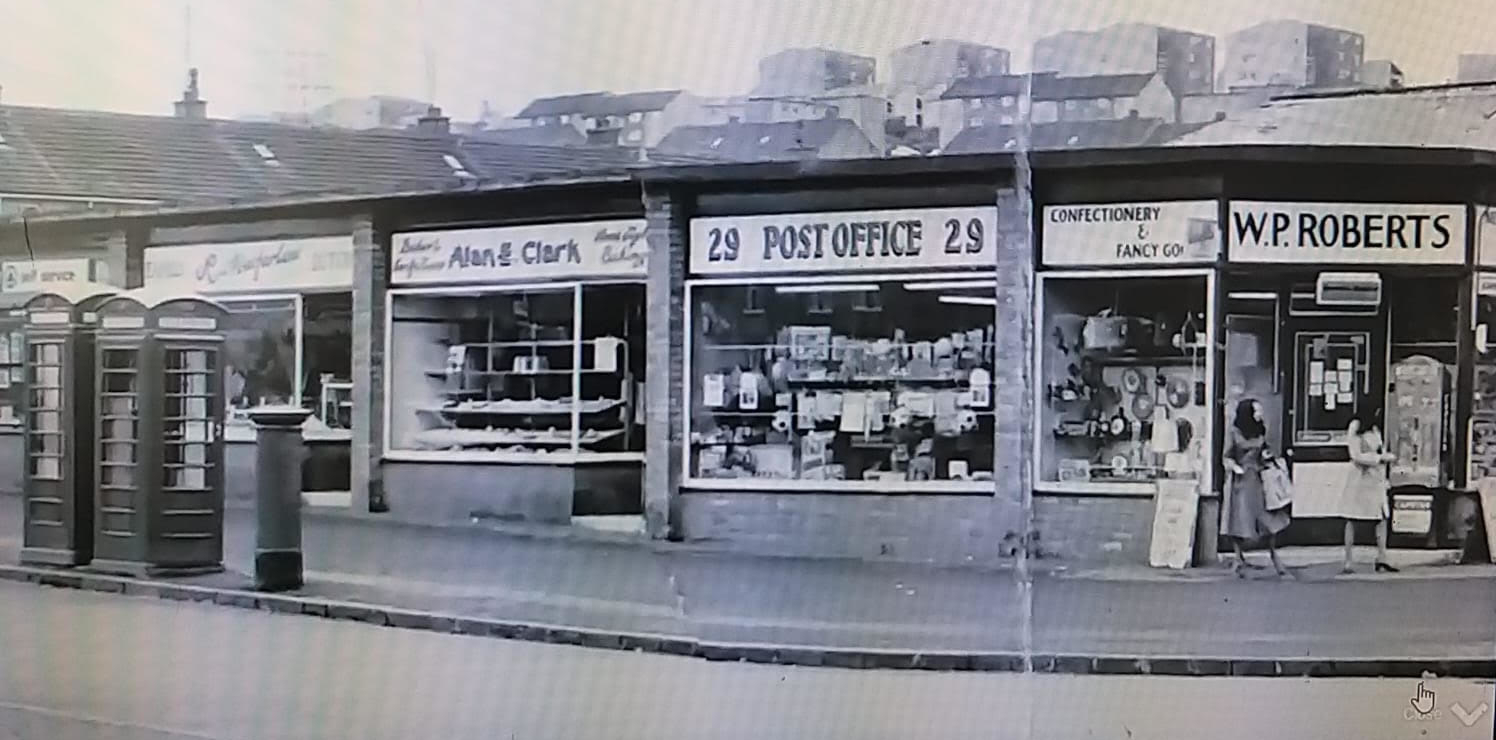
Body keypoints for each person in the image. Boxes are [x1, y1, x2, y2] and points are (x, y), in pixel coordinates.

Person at [1222, 398, 1290, 576]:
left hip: (1260, 480)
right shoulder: (1235, 432)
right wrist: (1234, 467)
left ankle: (1273, 554)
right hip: (1242, 481)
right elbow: (1227, 456)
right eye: (1256, 411)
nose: (1260, 414)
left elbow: (1264, 453)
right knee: (1240, 519)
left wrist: (1269, 458)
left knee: (1268, 519)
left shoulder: (1260, 432)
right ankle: (1238, 556)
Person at [1342, 410, 1398, 574]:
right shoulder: (1356, 426)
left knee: (1381, 518)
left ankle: (1382, 557)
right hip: (1360, 480)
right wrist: (1379, 459)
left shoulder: (1375, 429)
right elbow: (1355, 454)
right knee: (1352, 518)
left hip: (1376, 480)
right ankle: (1348, 561)